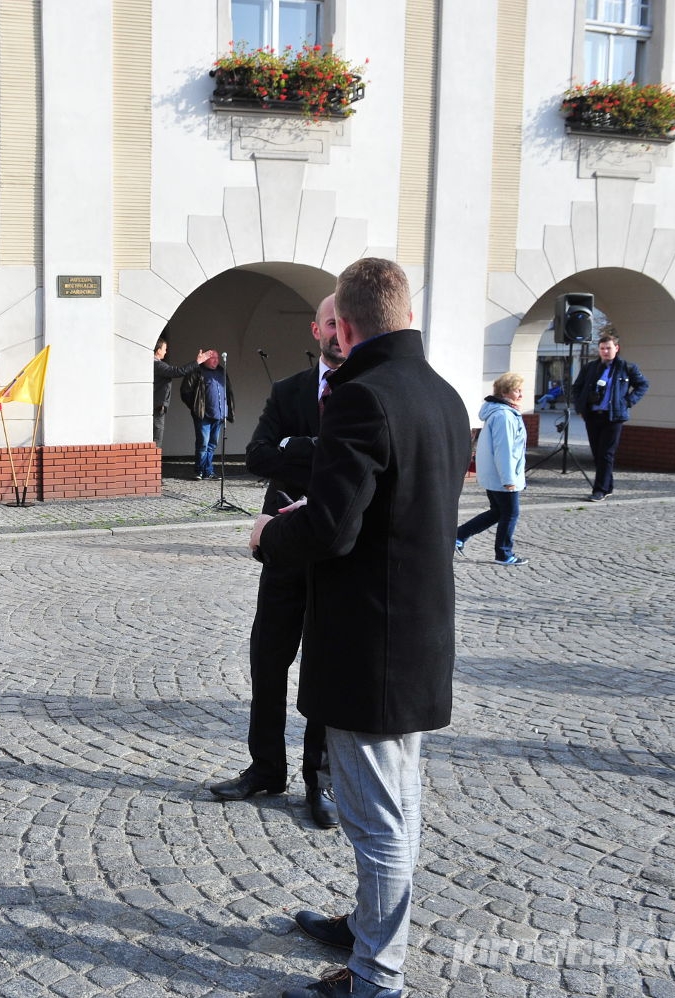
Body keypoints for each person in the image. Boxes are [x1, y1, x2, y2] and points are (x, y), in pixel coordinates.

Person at [249, 258, 470, 998]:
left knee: (376, 820)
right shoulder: (443, 394)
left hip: (369, 645)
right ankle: (370, 928)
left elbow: (333, 530)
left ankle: (376, 976)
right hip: (418, 636)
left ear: (342, 328)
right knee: (398, 805)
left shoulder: (360, 397)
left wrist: (272, 534)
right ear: (406, 314)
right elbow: (389, 511)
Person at [209, 294, 343, 829]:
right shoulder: (289, 390)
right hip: (284, 544)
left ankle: (320, 779)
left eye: (344, 323)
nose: (337, 331)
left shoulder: (364, 393)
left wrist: (297, 447)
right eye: (330, 322)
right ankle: (265, 766)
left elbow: (352, 465)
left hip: (334, 550)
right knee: (267, 660)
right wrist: (317, 446)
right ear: (316, 329)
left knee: (323, 666)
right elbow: (257, 456)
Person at [456, 372, 528, 566]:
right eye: (517, 390)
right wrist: (509, 479)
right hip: (502, 476)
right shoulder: (504, 415)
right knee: (510, 513)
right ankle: (503, 554)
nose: (521, 394)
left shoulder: (502, 412)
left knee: (497, 512)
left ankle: (459, 535)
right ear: (504, 392)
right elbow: (504, 450)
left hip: (497, 474)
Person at [571, 332, 649, 502]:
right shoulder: (590, 367)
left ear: (616, 348)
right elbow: (577, 387)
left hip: (614, 416)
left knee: (606, 454)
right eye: (602, 348)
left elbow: (643, 385)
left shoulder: (626, 367)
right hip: (593, 415)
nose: (605, 351)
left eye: (608, 348)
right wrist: (580, 407)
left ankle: (599, 490)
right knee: (597, 453)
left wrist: (628, 401)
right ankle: (608, 486)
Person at [152, 336, 214, 448]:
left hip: (156, 406)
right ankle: (153, 460)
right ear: (158, 350)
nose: (166, 352)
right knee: (157, 440)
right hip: (157, 407)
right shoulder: (157, 365)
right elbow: (178, 371)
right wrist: (197, 362)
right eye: (165, 349)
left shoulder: (154, 364)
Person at [182, 351, 235, 480]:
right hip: (203, 415)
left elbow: (228, 391)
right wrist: (196, 407)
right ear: (205, 359)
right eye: (212, 358)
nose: (216, 360)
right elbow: (185, 391)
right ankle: (199, 471)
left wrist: (228, 409)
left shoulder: (222, 371)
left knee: (212, 445)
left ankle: (208, 471)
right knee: (203, 444)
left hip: (219, 414)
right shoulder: (197, 371)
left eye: (217, 358)